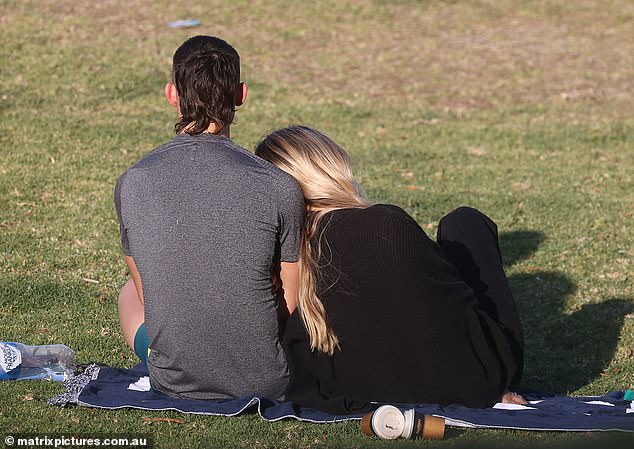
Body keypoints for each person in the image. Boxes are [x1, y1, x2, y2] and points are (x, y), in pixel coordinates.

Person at [254, 125, 526, 413]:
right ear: (329, 164)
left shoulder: (282, 252)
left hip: (354, 387)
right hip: (470, 383)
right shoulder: (386, 223)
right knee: (465, 223)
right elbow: (452, 309)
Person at [114, 36, 304, 400]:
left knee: (128, 293)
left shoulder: (133, 182)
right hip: (268, 381)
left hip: (174, 383)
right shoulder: (279, 185)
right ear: (240, 95)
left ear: (172, 94)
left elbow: (146, 294)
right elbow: (290, 304)